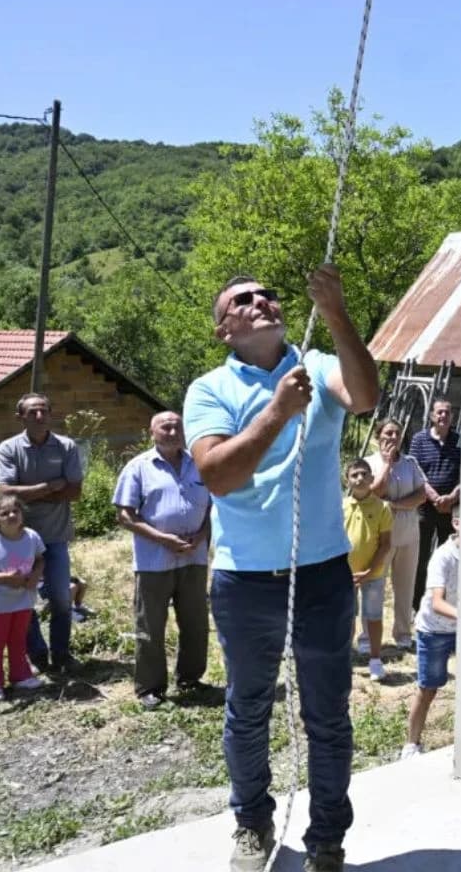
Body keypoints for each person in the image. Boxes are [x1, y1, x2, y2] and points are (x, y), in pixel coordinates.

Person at [183, 266, 379, 872]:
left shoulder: (318, 365)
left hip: (320, 574)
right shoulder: (207, 390)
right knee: (248, 707)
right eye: (242, 299)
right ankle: (252, 824)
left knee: (327, 712)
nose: (260, 300)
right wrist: (275, 413)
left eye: (266, 293)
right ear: (224, 329)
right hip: (243, 581)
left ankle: (326, 839)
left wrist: (339, 311)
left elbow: (367, 396)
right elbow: (217, 474)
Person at [113, 411, 212, 710]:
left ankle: (191, 679)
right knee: (150, 626)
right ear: (152, 432)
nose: (172, 431)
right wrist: (163, 539)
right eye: (165, 427)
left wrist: (202, 534)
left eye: (177, 426)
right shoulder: (138, 468)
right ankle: (149, 687)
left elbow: (212, 508)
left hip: (194, 557)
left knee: (196, 623)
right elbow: (125, 516)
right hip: (154, 561)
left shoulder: (199, 463)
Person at [0, 393, 83, 675]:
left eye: (44, 410)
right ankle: (37, 654)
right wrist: (51, 487)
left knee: (60, 598)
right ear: (20, 417)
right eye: (32, 412)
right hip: (19, 539)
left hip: (55, 536)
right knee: (23, 598)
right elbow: (5, 492)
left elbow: (75, 491)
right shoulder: (9, 449)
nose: (39, 416)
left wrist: (29, 494)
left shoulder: (66, 446)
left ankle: (61, 654)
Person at [0, 494, 46, 704]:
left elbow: (40, 560)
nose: (11, 515)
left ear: (22, 514)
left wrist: (35, 575)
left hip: (24, 599)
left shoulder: (32, 537)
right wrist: (4, 578)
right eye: (5, 513)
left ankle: (20, 676)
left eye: (15, 511)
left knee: (18, 640)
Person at [401, 505, 461, 760]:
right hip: (434, 630)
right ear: (456, 524)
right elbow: (437, 602)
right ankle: (410, 746)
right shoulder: (443, 556)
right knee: (428, 688)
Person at [365, 420, 427, 652]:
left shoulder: (410, 463)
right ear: (379, 435)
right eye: (388, 433)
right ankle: (367, 638)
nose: (393, 437)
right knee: (375, 584)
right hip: (383, 531)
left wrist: (396, 504)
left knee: (405, 584)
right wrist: (388, 465)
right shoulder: (370, 463)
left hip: (409, 529)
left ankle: (402, 633)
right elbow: (375, 492)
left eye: (397, 433)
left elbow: (421, 494)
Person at [342, 459, 393, 682]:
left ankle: (375, 659)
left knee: (373, 616)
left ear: (372, 478)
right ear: (348, 480)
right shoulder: (340, 506)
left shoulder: (382, 507)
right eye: (354, 475)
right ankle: (345, 659)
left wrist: (370, 569)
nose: (360, 478)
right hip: (345, 574)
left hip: (374, 573)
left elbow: (385, 544)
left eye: (364, 474)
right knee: (347, 617)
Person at [409, 399, 461, 614]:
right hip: (425, 506)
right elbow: (415, 470)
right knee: (420, 557)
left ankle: (445, 603)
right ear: (432, 416)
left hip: (452, 509)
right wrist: (434, 497)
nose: (444, 416)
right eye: (439, 412)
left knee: (449, 556)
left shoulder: (460, 440)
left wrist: (451, 497)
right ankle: (416, 604)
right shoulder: (419, 440)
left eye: (448, 412)